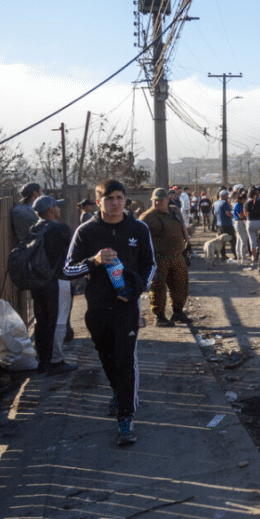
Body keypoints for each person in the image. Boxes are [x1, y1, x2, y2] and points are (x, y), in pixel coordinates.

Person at [63, 179, 156, 446]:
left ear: (126, 200)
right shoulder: (86, 230)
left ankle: (125, 419)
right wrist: (94, 261)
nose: (115, 203)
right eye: (109, 198)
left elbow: (150, 264)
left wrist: (135, 289)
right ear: (98, 201)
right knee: (106, 356)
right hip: (97, 308)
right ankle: (116, 390)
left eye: (119, 198)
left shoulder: (138, 228)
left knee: (126, 360)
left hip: (127, 307)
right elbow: (67, 269)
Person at [29, 195, 77, 374]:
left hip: (39, 283)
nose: (59, 209)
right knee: (59, 320)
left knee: (41, 321)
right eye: (56, 207)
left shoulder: (33, 229)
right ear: (51, 211)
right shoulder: (61, 229)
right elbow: (74, 252)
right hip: (59, 281)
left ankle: (43, 361)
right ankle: (56, 361)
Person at [138, 188, 192, 327]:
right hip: (159, 259)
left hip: (177, 255)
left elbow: (182, 226)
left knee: (180, 284)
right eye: (155, 201)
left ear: (167, 200)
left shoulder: (174, 210)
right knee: (158, 287)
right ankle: (160, 316)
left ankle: (178, 311)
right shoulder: (147, 217)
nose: (158, 203)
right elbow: (138, 237)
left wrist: (187, 241)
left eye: (161, 201)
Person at [213, 190, 236, 260]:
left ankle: (223, 255)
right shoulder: (225, 203)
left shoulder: (216, 203)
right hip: (227, 224)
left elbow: (215, 213)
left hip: (219, 224)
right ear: (223, 196)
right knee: (233, 239)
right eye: (226, 195)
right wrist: (234, 216)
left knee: (221, 241)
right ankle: (235, 254)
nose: (228, 196)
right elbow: (227, 213)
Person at [244, 187, 260, 264]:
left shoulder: (246, 203)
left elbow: (245, 214)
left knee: (252, 241)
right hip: (259, 221)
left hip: (250, 222)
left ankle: (254, 258)